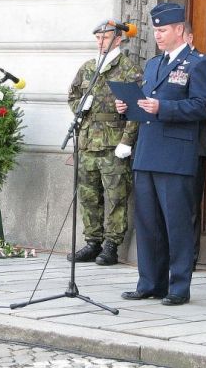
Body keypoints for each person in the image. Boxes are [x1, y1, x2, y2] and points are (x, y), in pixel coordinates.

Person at [117, 3, 206, 305]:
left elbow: (202, 105)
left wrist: (165, 107)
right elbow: (146, 106)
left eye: (162, 30)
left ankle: (178, 286)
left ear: (179, 30)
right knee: (148, 222)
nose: (157, 35)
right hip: (148, 151)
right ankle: (149, 282)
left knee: (176, 224)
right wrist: (127, 109)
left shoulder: (201, 64)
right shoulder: (153, 65)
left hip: (177, 154)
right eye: (155, 30)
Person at [66, 19, 142, 266]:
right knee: (89, 195)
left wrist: (127, 141)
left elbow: (137, 107)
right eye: (98, 38)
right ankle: (92, 242)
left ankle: (111, 245)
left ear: (118, 39)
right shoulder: (89, 67)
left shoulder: (128, 69)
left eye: (106, 38)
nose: (100, 42)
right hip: (88, 141)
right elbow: (73, 95)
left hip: (113, 143)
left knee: (116, 196)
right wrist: (80, 106)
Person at [183, 22, 206, 271]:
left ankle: (189, 257)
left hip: (192, 145)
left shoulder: (203, 63)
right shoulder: (159, 63)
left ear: (186, 36)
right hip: (164, 147)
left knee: (189, 206)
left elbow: (202, 104)